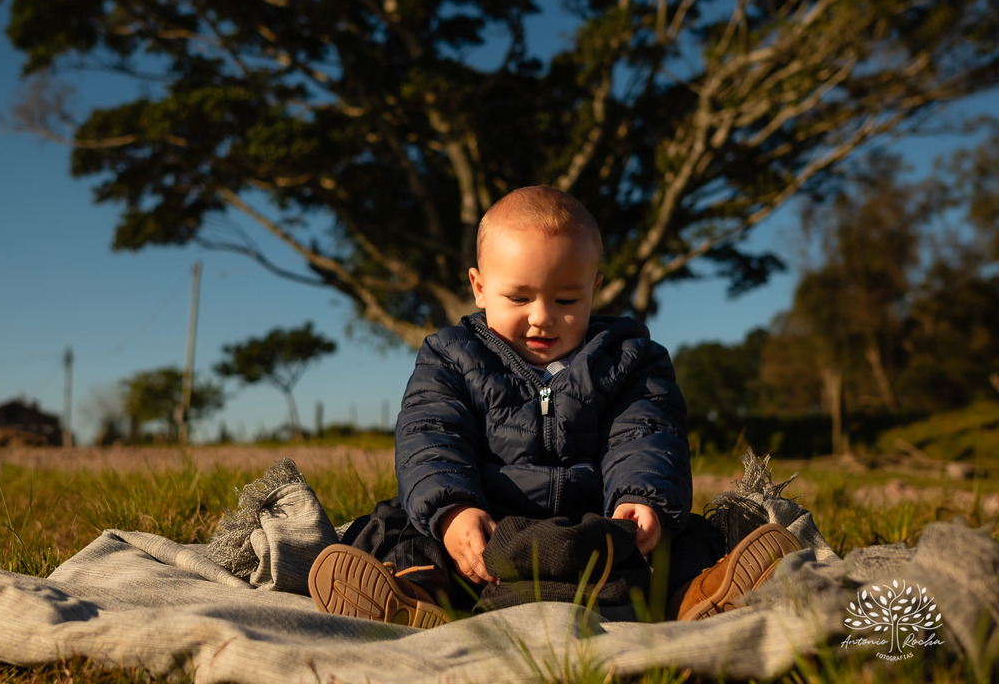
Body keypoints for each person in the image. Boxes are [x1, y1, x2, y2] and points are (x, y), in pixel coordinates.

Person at [309, 186, 799, 627]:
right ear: (479, 287)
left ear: (595, 288)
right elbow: (430, 434)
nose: (542, 318)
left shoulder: (632, 359)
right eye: (518, 297)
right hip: (486, 533)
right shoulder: (450, 356)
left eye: (566, 298)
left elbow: (647, 432)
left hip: (601, 532)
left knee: (684, 538)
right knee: (398, 531)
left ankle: (700, 594)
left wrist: (643, 497)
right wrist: (453, 510)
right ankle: (413, 597)